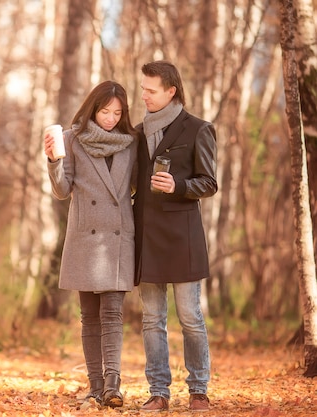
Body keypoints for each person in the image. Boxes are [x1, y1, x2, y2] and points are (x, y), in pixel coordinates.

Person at [44, 80, 138, 408]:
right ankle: (95, 387)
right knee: (90, 316)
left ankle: (113, 385)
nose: (111, 118)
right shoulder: (72, 139)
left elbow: (138, 187)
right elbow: (61, 190)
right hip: (86, 237)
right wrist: (55, 159)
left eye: (117, 112)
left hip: (118, 237)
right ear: (92, 109)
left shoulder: (131, 143)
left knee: (113, 312)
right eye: (104, 111)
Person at [132, 60, 217, 412]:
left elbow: (209, 182)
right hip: (147, 236)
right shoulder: (137, 133)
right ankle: (159, 392)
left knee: (190, 317)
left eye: (151, 91)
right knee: (152, 320)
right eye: (143, 90)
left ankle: (198, 389)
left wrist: (179, 185)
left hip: (183, 238)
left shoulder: (199, 129)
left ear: (171, 91)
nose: (145, 96)